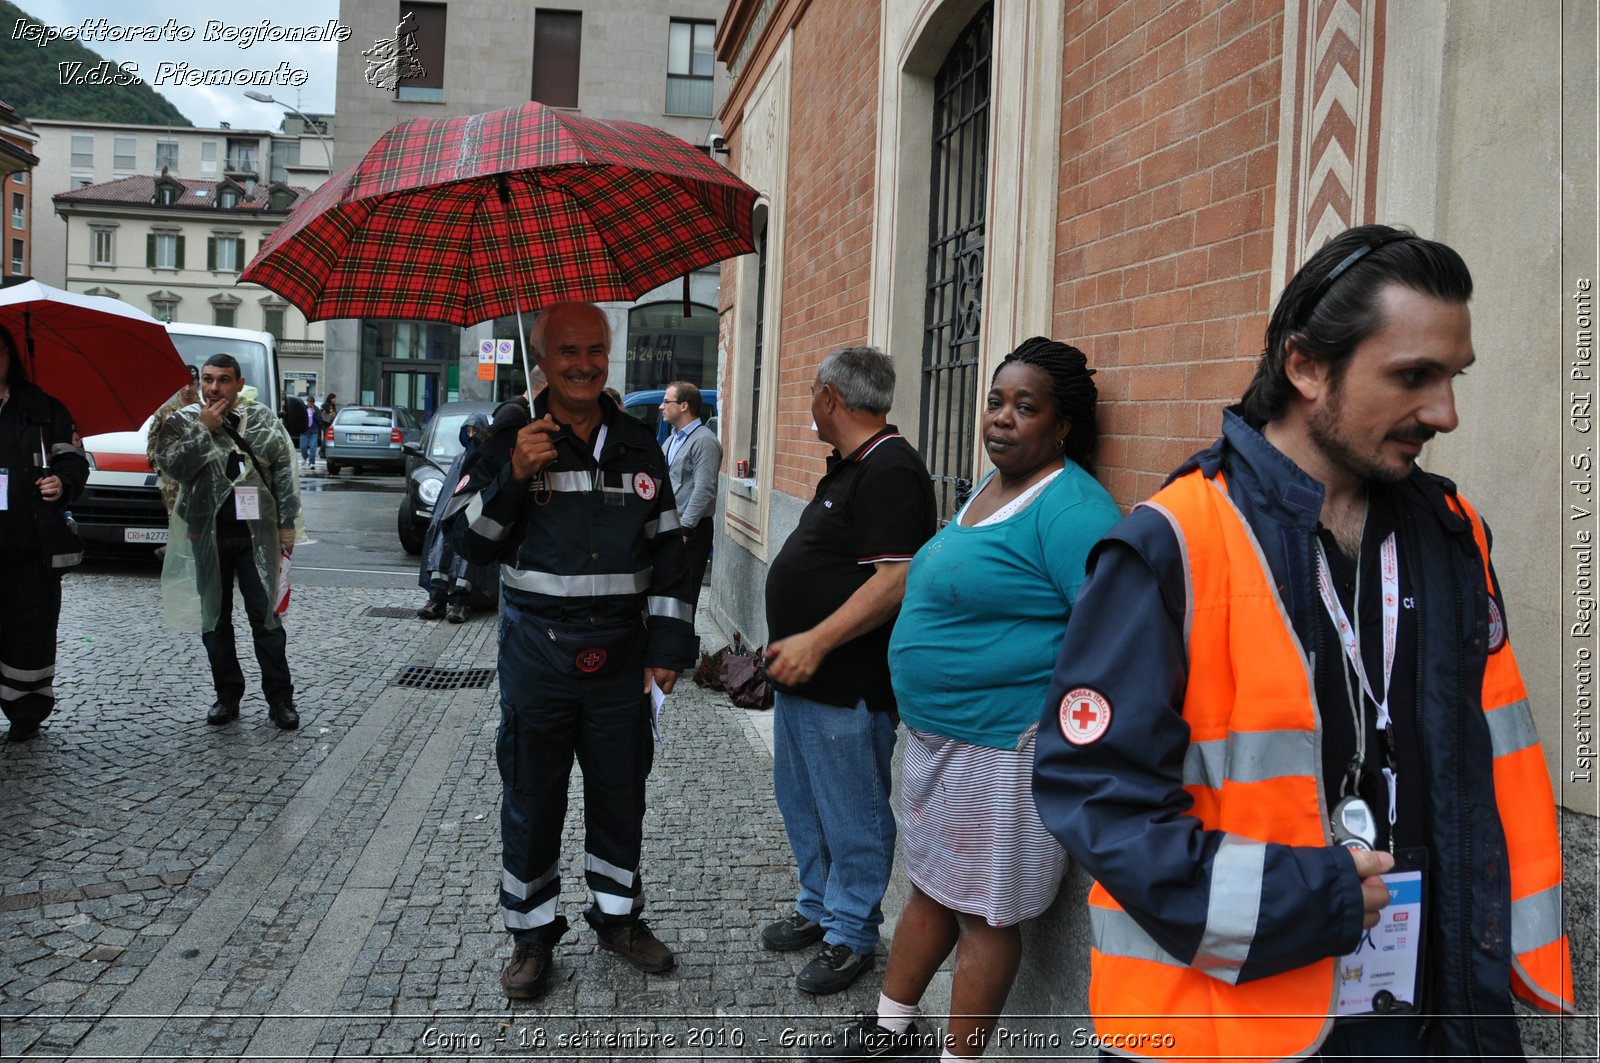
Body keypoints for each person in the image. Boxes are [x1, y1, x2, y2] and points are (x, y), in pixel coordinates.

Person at [1032, 225, 1572, 1061]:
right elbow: (1092, 793)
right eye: (1413, 377)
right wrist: (1299, 900)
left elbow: (1483, 764)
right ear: (1306, 365)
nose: (1445, 413)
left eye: (1453, 378)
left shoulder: (1453, 533)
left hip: (1426, 1008)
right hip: (1229, 1027)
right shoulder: (1173, 542)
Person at [800, 338, 1121, 1060]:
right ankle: (890, 1026)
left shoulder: (1073, 509)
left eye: (1026, 407)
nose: (1002, 419)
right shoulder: (990, 484)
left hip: (1003, 746)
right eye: (996, 401)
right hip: (943, 740)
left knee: (983, 914)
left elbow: (1113, 635)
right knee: (934, 888)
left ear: (1063, 424)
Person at [447, 302, 699, 999]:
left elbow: (673, 553)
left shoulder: (640, 441)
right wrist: (513, 476)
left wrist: (669, 648)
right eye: (568, 352)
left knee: (621, 792)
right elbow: (467, 540)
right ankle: (530, 937)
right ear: (541, 356)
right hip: (537, 656)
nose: (584, 364)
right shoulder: (509, 433)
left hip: (623, 654)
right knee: (532, 794)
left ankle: (618, 918)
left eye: (595, 350)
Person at [761, 346, 936, 995]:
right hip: (804, 679)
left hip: (846, 681)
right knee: (803, 799)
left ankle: (853, 931)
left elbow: (896, 579)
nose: (809, 400)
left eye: (811, 388)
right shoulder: (851, 467)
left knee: (851, 809)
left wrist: (815, 640)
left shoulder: (890, 469)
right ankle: (818, 904)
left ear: (831, 396)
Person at [154, 354, 303, 731]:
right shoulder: (183, 422)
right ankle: (227, 696)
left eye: (223, 380)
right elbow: (174, 468)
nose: (214, 388)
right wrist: (202, 429)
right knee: (215, 621)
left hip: (257, 536)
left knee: (266, 620)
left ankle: (280, 700)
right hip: (206, 535)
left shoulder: (263, 420)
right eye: (207, 380)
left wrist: (287, 524)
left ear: (238, 383)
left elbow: (284, 469)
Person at [0, 327, 89, 742]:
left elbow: (75, 463)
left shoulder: (44, 409)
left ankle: (26, 710)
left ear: (10, 357)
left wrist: (61, 482)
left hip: (30, 547)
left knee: (31, 629)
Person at [417, 411, 492, 623]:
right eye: (467, 431)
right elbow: (449, 493)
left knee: (466, 553)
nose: (471, 435)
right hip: (453, 516)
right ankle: (437, 599)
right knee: (440, 545)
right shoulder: (460, 459)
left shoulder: (488, 459)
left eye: (475, 431)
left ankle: (461, 601)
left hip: (474, 517)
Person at [662, 380, 722, 587]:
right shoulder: (671, 440)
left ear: (684, 406)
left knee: (684, 597)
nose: (661, 407)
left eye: (666, 401)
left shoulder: (704, 441)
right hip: (671, 526)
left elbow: (704, 489)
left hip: (692, 531)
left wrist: (686, 529)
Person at [147, 364, 201, 517]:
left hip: (198, 478)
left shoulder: (204, 411)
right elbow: (152, 441)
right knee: (175, 522)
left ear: (198, 385)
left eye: (191, 384)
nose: (187, 389)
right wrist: (159, 467)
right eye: (183, 383)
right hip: (172, 482)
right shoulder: (165, 411)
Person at [300, 395, 323, 471]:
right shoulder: (304, 408)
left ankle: (311, 462)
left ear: (313, 403)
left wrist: (314, 413)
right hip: (304, 431)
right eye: (308, 402)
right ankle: (305, 457)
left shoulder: (317, 409)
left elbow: (320, 420)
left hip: (314, 431)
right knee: (303, 447)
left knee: (313, 448)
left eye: (311, 402)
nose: (309, 404)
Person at [319, 394, 337, 459]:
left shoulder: (333, 406)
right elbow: (323, 408)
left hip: (329, 423)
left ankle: (323, 451)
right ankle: (322, 452)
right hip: (324, 422)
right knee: (326, 436)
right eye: (334, 398)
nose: (335, 400)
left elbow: (334, 414)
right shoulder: (326, 405)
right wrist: (330, 411)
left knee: (326, 437)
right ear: (330, 399)